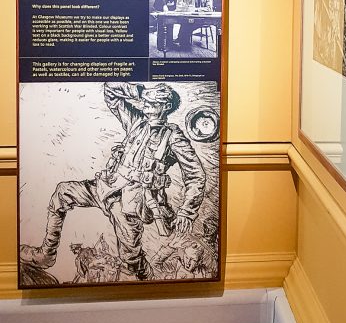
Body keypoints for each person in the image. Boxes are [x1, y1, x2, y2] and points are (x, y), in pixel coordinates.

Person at [20, 82, 206, 281]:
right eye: (146, 101)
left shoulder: (174, 137)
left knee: (131, 260)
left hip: (131, 205)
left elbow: (196, 175)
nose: (146, 104)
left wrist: (187, 212)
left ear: (166, 106)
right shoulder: (137, 122)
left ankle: (149, 280)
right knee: (63, 192)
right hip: (105, 187)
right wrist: (140, 91)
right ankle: (46, 255)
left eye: (154, 102)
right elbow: (110, 91)